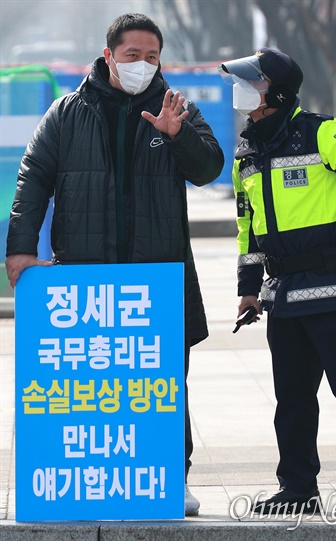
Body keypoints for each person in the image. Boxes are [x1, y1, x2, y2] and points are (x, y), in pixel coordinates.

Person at [6, 13, 224, 516]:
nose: (143, 66)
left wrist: (178, 135)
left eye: (152, 57)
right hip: (87, 277)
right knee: (88, 386)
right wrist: (20, 248)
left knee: (163, 381)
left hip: (156, 277)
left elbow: (210, 168)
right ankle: (84, 476)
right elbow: (33, 179)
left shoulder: (177, 109)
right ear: (109, 56)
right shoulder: (66, 113)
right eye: (132, 56)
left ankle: (172, 476)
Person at [219, 47, 336, 517]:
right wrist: (248, 288)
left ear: (275, 91)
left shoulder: (321, 132)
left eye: (250, 82)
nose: (241, 90)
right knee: (291, 399)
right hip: (284, 293)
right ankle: (298, 487)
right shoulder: (248, 153)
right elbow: (247, 228)